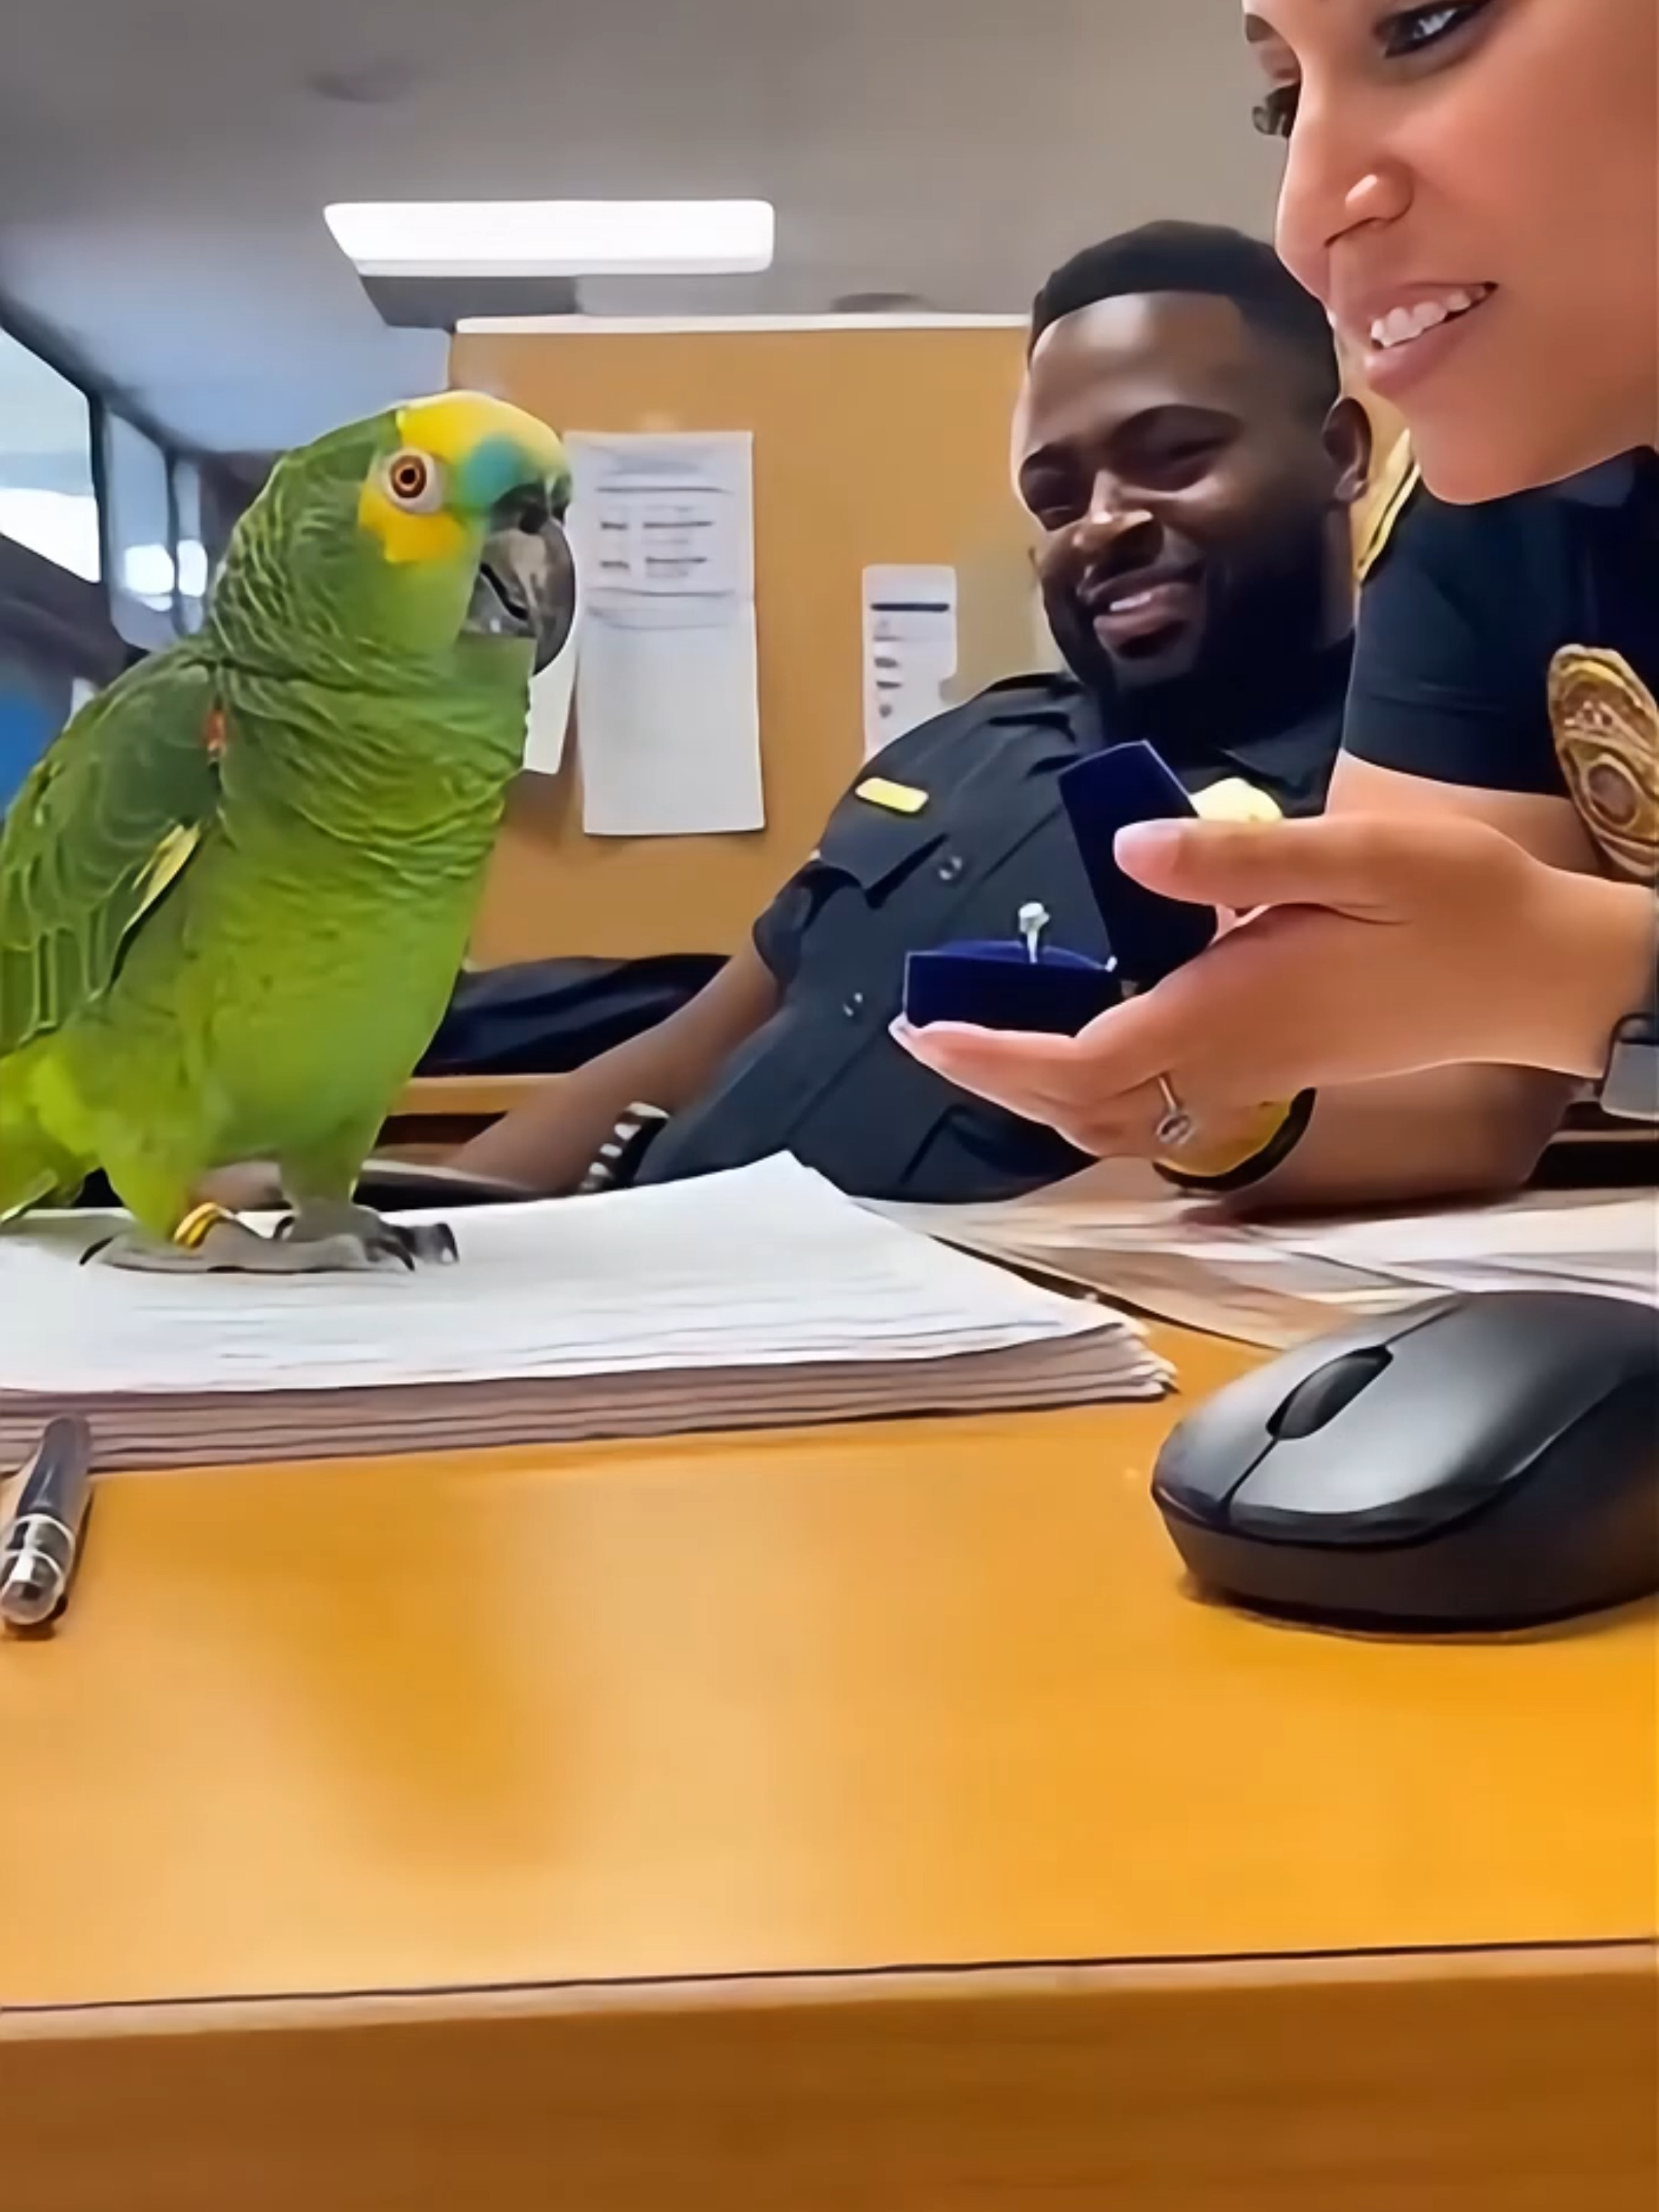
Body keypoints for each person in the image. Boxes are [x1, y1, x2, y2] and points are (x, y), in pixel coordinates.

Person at [899, 0, 1659, 1183]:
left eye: (1424, 25)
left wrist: (1600, 977)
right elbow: (1439, 1065)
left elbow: (1533, 987)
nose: (1308, 224)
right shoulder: (1498, 506)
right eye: (1286, 102)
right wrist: (1221, 1082)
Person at [456, 222, 1368, 1205]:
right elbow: (689, 1048)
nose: (1101, 524)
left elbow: (1215, 1190)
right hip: (645, 1285)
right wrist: (434, 1214)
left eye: (1176, 456)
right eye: (1057, 503)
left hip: (917, 1335)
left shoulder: (1383, 807)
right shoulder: (956, 750)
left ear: (1341, 456)